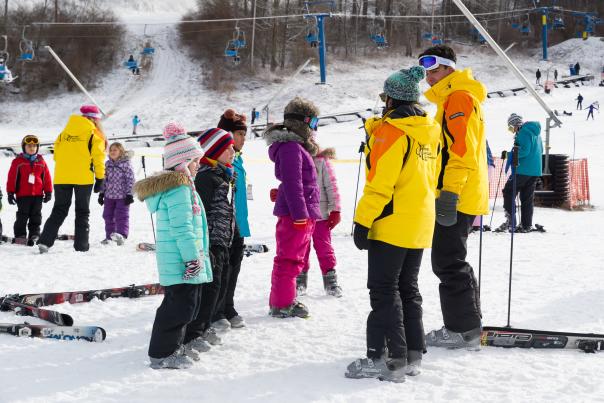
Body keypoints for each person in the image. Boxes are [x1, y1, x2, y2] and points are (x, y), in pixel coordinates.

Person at [344, 66, 440, 383]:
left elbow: (380, 185)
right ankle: (413, 354)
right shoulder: (428, 130)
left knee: (384, 291)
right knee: (407, 289)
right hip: (421, 220)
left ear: (391, 99)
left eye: (384, 96)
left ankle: (386, 360)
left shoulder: (392, 133)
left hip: (392, 221)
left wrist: (362, 221)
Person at [419, 45, 488, 349]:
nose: (428, 77)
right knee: (453, 259)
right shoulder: (449, 100)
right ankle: (469, 324)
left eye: (434, 70)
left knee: (447, 261)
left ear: (449, 68)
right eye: (425, 71)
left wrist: (449, 193)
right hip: (458, 192)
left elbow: (463, 150)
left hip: (456, 194)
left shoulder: (458, 98)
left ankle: (461, 330)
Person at [133, 122, 212, 370]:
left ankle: (177, 345)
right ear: (181, 163)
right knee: (179, 307)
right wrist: (191, 258)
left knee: (189, 306)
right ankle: (161, 353)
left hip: (187, 258)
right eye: (194, 160)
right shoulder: (178, 189)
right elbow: (182, 229)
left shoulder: (186, 186)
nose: (198, 164)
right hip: (180, 260)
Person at [264, 97, 322, 319]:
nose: (315, 130)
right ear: (303, 123)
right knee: (288, 259)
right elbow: (293, 182)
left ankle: (285, 299)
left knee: (295, 258)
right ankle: (282, 304)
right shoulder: (290, 148)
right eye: (313, 123)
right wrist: (299, 214)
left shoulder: (296, 148)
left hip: (303, 212)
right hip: (296, 215)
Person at [37, 105, 106, 253]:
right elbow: (99, 158)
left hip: (62, 177)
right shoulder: (94, 134)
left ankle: (44, 242)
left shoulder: (64, 132)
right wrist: (100, 178)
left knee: (59, 209)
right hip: (83, 178)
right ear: (95, 119)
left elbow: (56, 155)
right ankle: (81, 246)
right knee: (82, 211)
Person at [192, 127, 236, 345]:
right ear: (213, 152)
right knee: (209, 288)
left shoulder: (222, 175)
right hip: (211, 241)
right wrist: (205, 242)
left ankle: (206, 324)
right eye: (226, 148)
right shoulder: (206, 177)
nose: (232, 151)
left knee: (219, 285)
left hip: (222, 240)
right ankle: (198, 328)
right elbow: (202, 212)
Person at [213, 109, 250, 330]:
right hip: (224, 223)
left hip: (239, 223)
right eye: (239, 134)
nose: (243, 139)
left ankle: (228, 305)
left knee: (234, 267)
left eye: (245, 135)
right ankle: (215, 310)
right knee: (223, 269)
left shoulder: (239, 161)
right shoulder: (223, 160)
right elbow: (218, 135)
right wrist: (225, 122)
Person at [295, 144, 343, 298]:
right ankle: (300, 280)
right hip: (301, 215)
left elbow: (332, 186)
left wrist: (335, 209)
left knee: (324, 248)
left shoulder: (321, 161)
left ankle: (331, 280)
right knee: (301, 249)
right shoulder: (295, 158)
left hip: (321, 216)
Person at [497, 114, 543, 233]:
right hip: (534, 170)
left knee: (508, 191)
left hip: (523, 170)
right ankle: (526, 225)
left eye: (511, 127)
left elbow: (524, 151)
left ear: (516, 125)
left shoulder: (523, 132)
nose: (511, 131)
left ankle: (510, 222)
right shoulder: (535, 133)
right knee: (526, 197)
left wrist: (508, 155)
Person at [6, 135, 53, 245]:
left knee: (36, 216)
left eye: (34, 146)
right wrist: (10, 192)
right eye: (29, 146)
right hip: (23, 195)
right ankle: (20, 234)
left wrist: (48, 191)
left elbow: (47, 178)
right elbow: (12, 178)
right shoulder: (18, 161)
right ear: (24, 147)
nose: (32, 148)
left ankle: (34, 233)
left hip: (38, 195)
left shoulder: (41, 161)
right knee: (22, 215)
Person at [98, 142, 135, 245]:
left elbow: (131, 179)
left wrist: (129, 194)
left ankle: (121, 235)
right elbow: (104, 180)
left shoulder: (126, 164)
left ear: (121, 151)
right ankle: (109, 237)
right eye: (111, 150)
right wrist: (101, 194)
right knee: (107, 215)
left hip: (122, 196)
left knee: (121, 216)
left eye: (115, 150)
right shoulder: (107, 164)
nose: (112, 152)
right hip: (109, 196)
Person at [470, 141, 495, 232]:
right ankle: (476, 224)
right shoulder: (482, 136)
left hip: (483, 167)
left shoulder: (478, 136)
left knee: (474, 196)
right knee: (478, 196)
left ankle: (474, 224)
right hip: (487, 166)